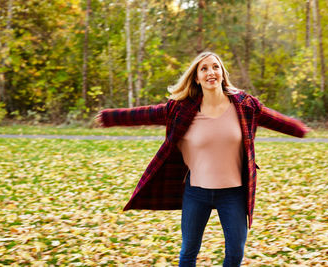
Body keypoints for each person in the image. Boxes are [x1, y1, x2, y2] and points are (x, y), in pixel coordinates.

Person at [95, 51, 310, 266]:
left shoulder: (244, 105)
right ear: (196, 78)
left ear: (223, 74)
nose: (211, 72)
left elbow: (272, 118)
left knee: (235, 253)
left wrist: (300, 130)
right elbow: (146, 113)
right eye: (204, 68)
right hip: (196, 192)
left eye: (215, 67)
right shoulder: (181, 109)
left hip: (234, 193)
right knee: (189, 251)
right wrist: (109, 117)